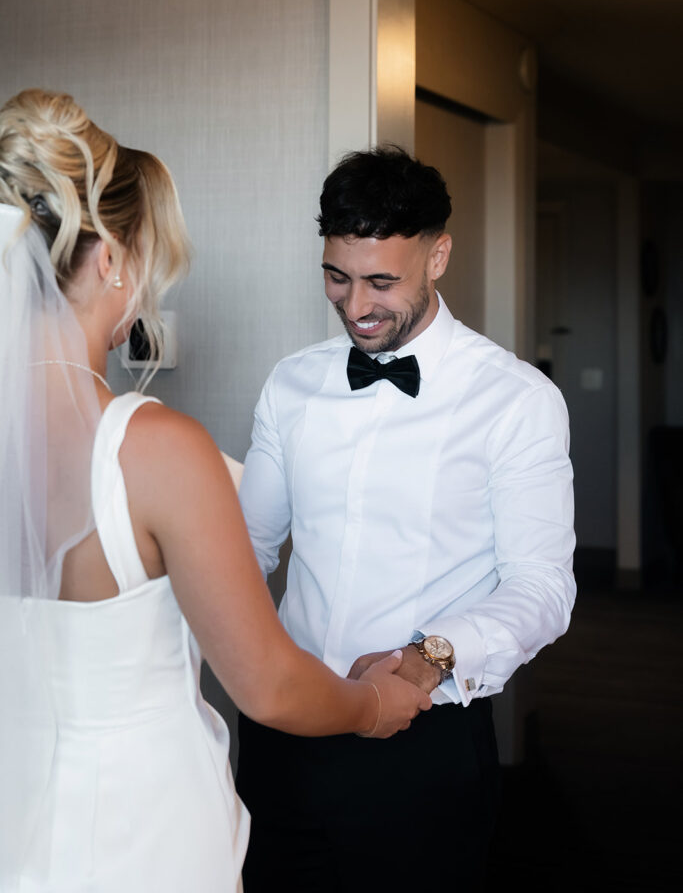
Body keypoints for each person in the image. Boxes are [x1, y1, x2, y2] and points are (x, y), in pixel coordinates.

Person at [0, 92, 431, 893]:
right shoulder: (155, 447)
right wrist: (372, 705)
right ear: (111, 258)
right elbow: (265, 684)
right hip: (136, 821)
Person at [236, 146, 577, 892]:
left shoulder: (515, 400)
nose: (356, 307)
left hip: (421, 739)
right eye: (337, 276)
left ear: (437, 255)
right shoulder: (290, 384)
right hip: (285, 728)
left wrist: (429, 660)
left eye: (381, 282)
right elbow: (246, 548)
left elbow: (541, 586)